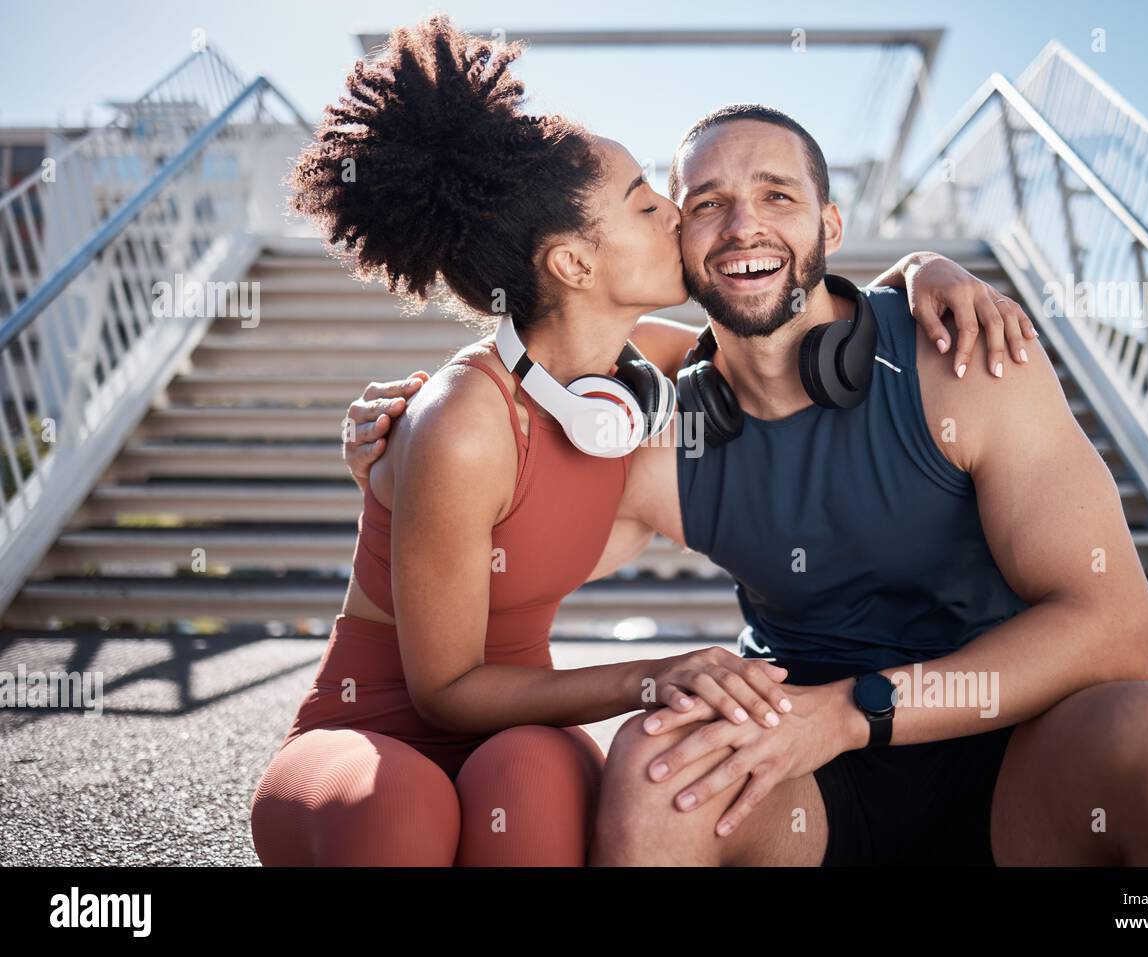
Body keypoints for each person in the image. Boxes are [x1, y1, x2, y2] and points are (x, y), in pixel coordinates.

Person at [351, 101, 1148, 866]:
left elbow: (1117, 631)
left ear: (829, 227)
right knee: (657, 762)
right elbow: (514, 474)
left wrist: (849, 712)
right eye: (705, 202)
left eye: (777, 195)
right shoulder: (653, 429)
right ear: (677, 239)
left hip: (1022, 758)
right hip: (801, 778)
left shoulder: (961, 355)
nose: (743, 223)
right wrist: (402, 451)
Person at [251, 15, 1016, 867]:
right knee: (402, 816)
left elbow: (799, 319)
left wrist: (922, 270)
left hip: (511, 723)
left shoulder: (640, 371)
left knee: (532, 793)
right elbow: (443, 691)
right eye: (651, 207)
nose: (679, 220)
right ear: (575, 265)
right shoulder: (466, 421)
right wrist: (654, 674)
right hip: (379, 729)